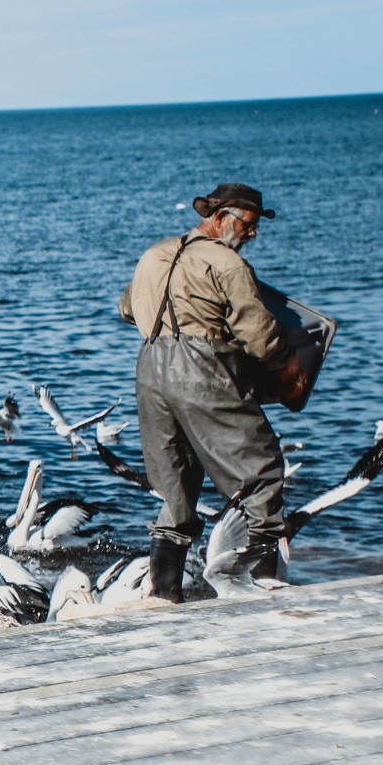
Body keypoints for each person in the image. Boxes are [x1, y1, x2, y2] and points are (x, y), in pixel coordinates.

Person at [118, 183, 310, 601]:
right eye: (249, 224)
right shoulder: (228, 264)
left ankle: (164, 597)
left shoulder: (153, 255)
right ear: (221, 218)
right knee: (260, 473)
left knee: (176, 488)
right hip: (201, 368)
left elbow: (127, 309)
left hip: (150, 369)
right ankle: (260, 591)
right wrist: (289, 363)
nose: (253, 234)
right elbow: (259, 335)